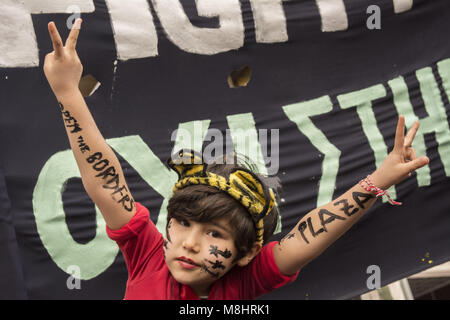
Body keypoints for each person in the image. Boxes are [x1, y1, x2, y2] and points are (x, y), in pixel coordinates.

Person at [43, 18, 430, 300]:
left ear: (245, 254)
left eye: (215, 233)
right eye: (183, 223)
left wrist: (378, 180)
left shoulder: (247, 281)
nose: (190, 244)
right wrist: (67, 92)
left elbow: (308, 233)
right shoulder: (147, 252)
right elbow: (107, 183)